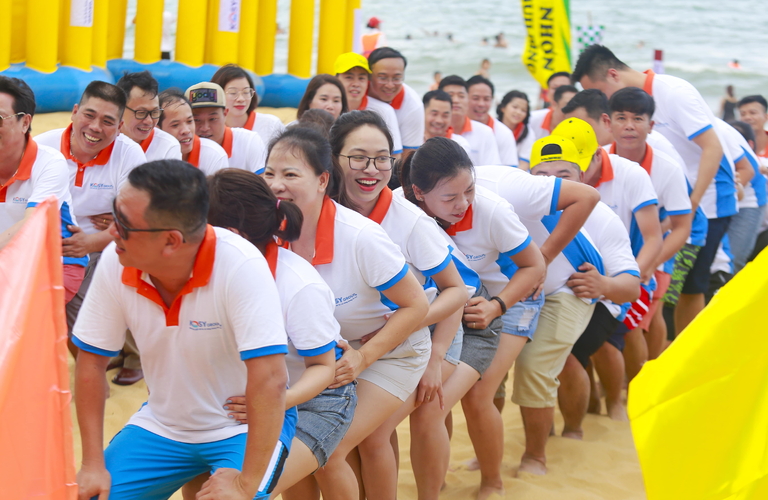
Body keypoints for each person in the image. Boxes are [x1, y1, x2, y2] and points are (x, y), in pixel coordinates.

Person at [73, 160, 294, 500]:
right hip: (164, 424)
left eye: (124, 224)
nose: (111, 231)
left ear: (171, 241)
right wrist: (91, 464)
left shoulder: (240, 265)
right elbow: (90, 362)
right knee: (89, 495)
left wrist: (246, 485)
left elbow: (271, 380)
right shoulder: (115, 260)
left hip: (243, 427)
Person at [262, 127, 430, 500]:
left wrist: (364, 356)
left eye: (290, 175)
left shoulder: (359, 236)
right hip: (319, 356)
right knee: (291, 447)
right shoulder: (268, 230)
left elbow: (416, 305)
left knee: (326, 446)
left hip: (390, 350)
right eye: (269, 173)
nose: (276, 185)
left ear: (323, 180)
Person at [182, 169, 353, 500]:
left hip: (318, 397)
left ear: (232, 234)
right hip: (246, 394)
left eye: (199, 226)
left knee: (243, 487)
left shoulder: (298, 285)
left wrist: (272, 403)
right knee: (199, 475)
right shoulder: (206, 272)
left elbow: (324, 367)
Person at [328, 110, 468, 500]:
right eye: (358, 157)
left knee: (374, 434)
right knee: (355, 440)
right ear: (332, 159)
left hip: (428, 329)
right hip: (363, 339)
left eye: (383, 159)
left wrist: (436, 357)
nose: (371, 169)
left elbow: (455, 293)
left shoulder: (409, 220)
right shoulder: (322, 208)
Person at [401, 137, 545, 499]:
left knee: (478, 394)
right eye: (450, 198)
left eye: (469, 190)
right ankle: (437, 475)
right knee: (433, 404)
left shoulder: (491, 210)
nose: (463, 203)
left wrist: (497, 305)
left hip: (509, 299)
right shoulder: (404, 212)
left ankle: (492, 483)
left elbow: (534, 266)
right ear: (419, 193)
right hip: (450, 311)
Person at [572, 44, 738, 337]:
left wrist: (694, 201)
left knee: (685, 289)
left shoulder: (673, 91)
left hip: (707, 202)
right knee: (661, 292)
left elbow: (713, 147)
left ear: (612, 75)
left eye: (601, 92)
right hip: (670, 204)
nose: (603, 103)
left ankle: (688, 360)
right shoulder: (638, 105)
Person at [525, 137, 641, 440]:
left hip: (602, 299)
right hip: (540, 299)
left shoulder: (602, 217)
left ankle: (577, 427)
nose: (553, 183)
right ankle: (545, 427)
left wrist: (602, 284)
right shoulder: (521, 212)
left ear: (581, 178)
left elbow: (631, 288)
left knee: (568, 354)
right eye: (542, 176)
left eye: (564, 175)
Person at [552, 117, 662, 420]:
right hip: (573, 286)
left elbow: (655, 236)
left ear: (597, 156)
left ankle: (618, 402)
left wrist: (613, 283)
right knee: (566, 350)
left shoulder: (629, 176)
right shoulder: (548, 189)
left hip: (631, 271)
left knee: (617, 339)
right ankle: (590, 408)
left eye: (577, 165)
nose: (579, 172)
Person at [35, 81, 147, 376]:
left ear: (120, 126)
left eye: (108, 121)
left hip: (106, 245)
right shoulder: (41, 148)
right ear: (74, 113)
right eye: (89, 115)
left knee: (127, 275)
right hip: (48, 245)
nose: (96, 127)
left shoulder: (130, 154)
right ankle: (88, 369)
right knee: (54, 311)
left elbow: (136, 219)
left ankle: (134, 357)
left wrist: (93, 242)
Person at [605, 87, 695, 378]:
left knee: (641, 319)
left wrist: (651, 264)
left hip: (657, 247)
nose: (629, 126)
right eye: (621, 118)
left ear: (651, 125)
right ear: (608, 123)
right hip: (610, 251)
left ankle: (643, 380)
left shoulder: (667, 168)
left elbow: (683, 227)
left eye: (637, 119)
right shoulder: (597, 159)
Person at [0, 76, 87, 308]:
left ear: (25, 122)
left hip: (55, 263)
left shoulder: (49, 163)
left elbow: (32, 226)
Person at [185, 81, 267, 174]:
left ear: (225, 114)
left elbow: (263, 184)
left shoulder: (249, 141)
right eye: (196, 120)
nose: (205, 128)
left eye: (213, 119)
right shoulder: (180, 149)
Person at [716, 118, 764, 273]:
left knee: (732, 262)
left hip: (749, 198)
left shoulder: (716, 129)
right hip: (721, 196)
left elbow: (751, 169)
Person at [334, 52, 403, 156]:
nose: (356, 84)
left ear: (368, 82)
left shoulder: (385, 111)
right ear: (336, 80)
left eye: (361, 78)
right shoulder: (328, 108)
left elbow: (395, 155)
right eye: (349, 77)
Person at [157, 88, 228, 175]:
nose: (186, 131)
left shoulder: (214, 154)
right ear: (157, 128)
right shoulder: (145, 154)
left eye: (190, 121)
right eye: (175, 125)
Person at [211, 64, 286, 145]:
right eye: (233, 92)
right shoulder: (208, 128)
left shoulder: (271, 125)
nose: (241, 99)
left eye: (246, 92)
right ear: (217, 94)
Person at [116, 71, 182, 162]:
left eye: (155, 112)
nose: (149, 121)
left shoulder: (167, 147)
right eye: (141, 113)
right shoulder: (102, 139)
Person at [367, 47, 425, 152]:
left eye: (396, 78)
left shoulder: (413, 105)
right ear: (369, 76)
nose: (390, 85)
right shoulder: (357, 93)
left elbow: (408, 155)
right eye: (382, 77)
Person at [438, 75, 501, 166]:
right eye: (450, 95)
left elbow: (494, 169)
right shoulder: (431, 129)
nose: (456, 100)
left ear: (468, 99)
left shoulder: (485, 133)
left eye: (461, 96)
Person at [736, 95, 768, 260]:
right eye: (743, 113)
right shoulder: (735, 146)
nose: (747, 117)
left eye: (753, 112)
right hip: (744, 215)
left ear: (766, 117)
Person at [467, 75, 519, 166]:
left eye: (486, 99)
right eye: (475, 98)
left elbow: (510, 171)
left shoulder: (504, 133)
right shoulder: (452, 126)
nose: (481, 104)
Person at [422, 90, 472, 156]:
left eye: (445, 115)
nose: (439, 120)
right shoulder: (412, 140)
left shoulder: (460, 145)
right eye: (434, 114)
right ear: (422, 112)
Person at [497, 90, 535, 169]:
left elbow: (524, 163)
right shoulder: (492, 127)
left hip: (516, 172)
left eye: (523, 110)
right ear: (503, 107)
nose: (518, 112)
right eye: (515, 107)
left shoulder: (527, 132)